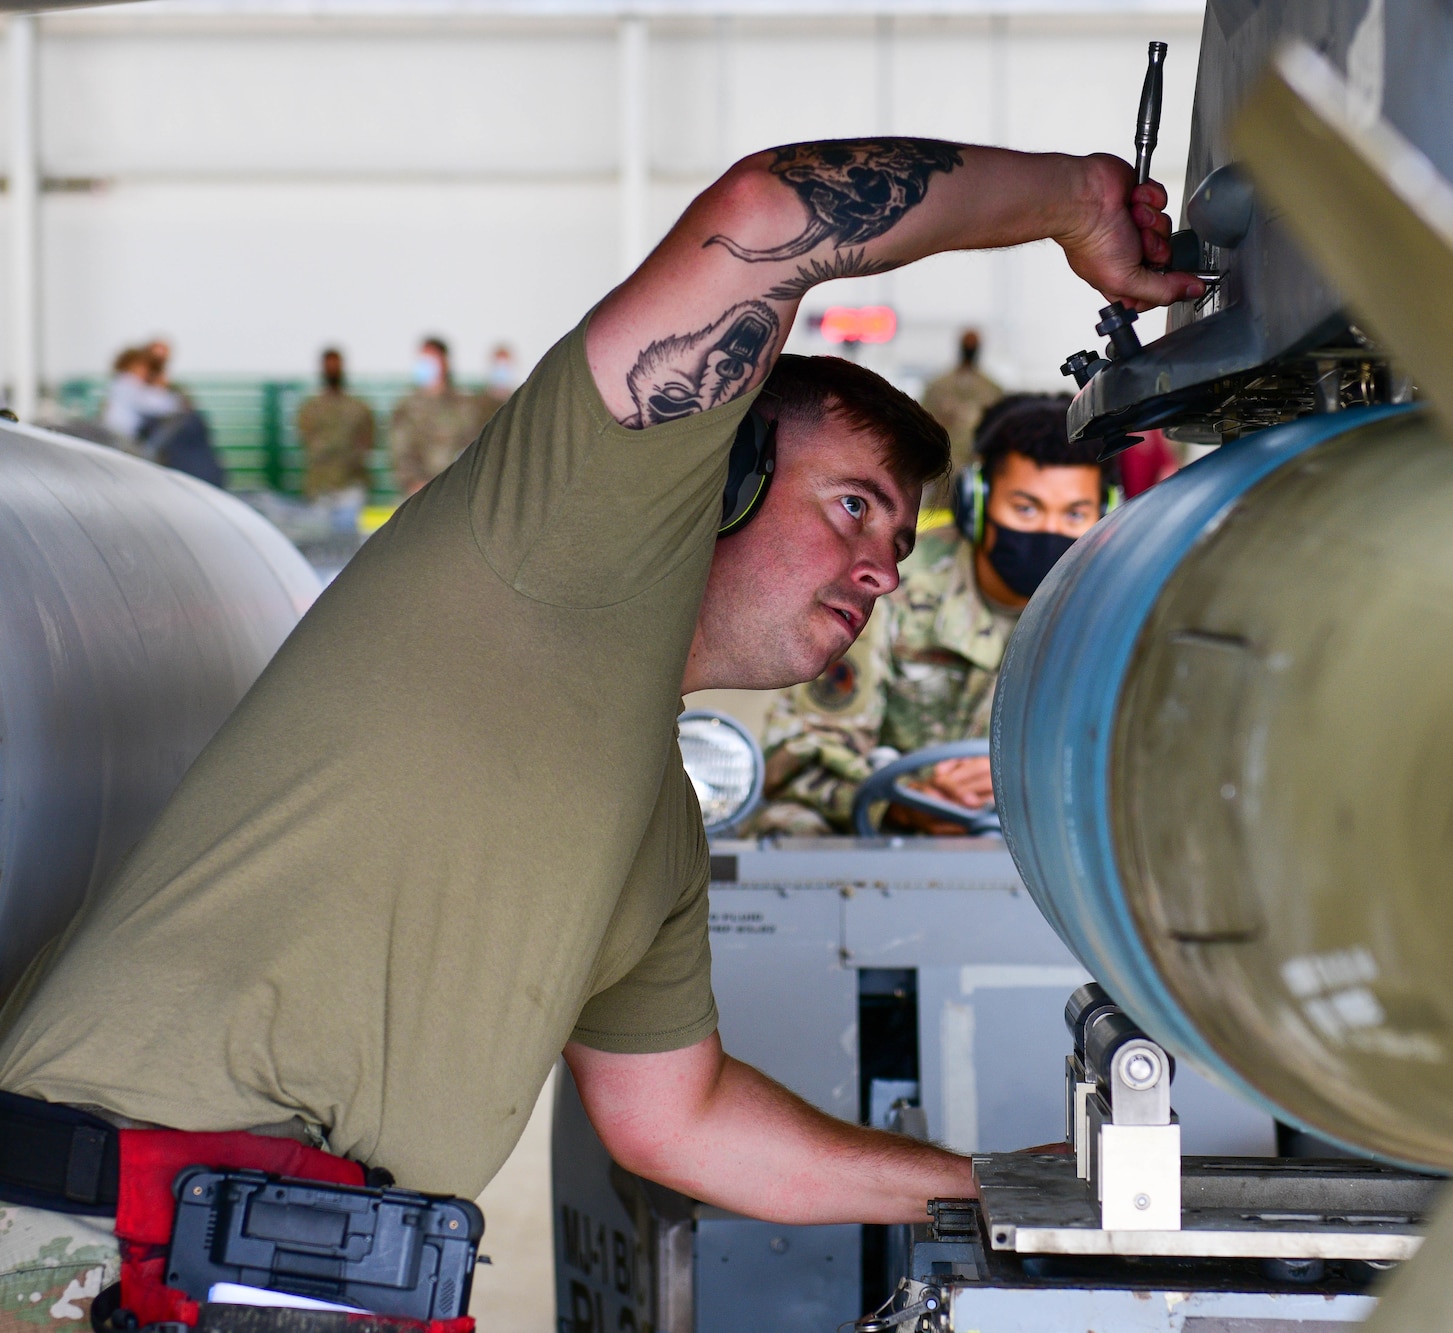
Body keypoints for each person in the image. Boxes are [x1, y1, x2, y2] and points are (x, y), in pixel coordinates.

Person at [0, 133, 1198, 1320]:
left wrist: (998, 1189)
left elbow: (679, 1119)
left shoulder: (653, 823)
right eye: (850, 507)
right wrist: (1075, 199)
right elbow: (766, 214)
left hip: (295, 1281)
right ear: (714, 481)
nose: (878, 571)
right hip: (106, 1257)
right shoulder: (547, 548)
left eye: (894, 543)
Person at [758, 395, 1112, 835]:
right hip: (897, 834)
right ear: (977, 503)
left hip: (1048, 834)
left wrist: (1038, 780)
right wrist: (904, 803)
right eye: (1025, 508)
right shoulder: (889, 587)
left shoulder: (1118, 612)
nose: (1050, 530)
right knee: (785, 830)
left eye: (1076, 514)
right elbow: (799, 753)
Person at [102, 342, 226, 487]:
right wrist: (171, 399)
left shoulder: (127, 386)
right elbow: (153, 404)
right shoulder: (128, 384)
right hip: (124, 437)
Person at [389, 336, 500, 494]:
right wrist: (413, 482)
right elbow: (400, 452)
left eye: (431, 359)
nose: (425, 365)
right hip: (417, 493)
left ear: (444, 362)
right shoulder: (406, 408)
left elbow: (473, 444)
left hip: (456, 490)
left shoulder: (464, 405)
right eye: (423, 359)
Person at [919, 327, 1005, 504]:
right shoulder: (938, 387)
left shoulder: (991, 388)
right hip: (943, 468)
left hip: (977, 466)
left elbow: (999, 431)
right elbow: (922, 427)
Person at [296, 347, 376, 503]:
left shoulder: (358, 408)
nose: (332, 369)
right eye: (329, 365)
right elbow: (307, 442)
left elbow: (368, 442)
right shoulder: (310, 409)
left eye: (336, 364)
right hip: (320, 486)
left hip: (351, 484)